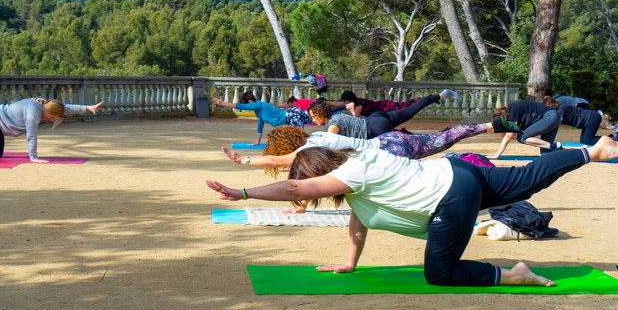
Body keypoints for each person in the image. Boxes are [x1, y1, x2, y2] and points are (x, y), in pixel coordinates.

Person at [207, 136, 618, 287]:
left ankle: (513, 274)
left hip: (451, 199)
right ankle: (593, 151)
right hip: (457, 174)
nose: (311, 193)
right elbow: (359, 223)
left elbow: (293, 184)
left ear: (320, 171)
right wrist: (350, 261)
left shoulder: (353, 175)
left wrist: (242, 191)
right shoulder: (361, 171)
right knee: (529, 177)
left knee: (439, 272)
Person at [222, 117, 522, 177]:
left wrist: (244, 161)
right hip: (390, 139)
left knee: (429, 171)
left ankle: (465, 161)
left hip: (385, 154)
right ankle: (487, 126)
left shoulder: (304, 154)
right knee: (443, 138)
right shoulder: (317, 137)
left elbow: (276, 162)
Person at [308, 90, 455, 139]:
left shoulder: (333, 125)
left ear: (321, 114)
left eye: (314, 116)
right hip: (376, 118)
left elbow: (328, 143)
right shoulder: (337, 114)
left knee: (410, 138)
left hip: (376, 128)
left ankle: (442, 135)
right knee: (410, 111)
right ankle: (440, 95)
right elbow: (350, 104)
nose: (313, 120)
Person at [213, 91, 311, 145]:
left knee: (301, 140)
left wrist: (222, 103)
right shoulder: (259, 112)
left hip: (291, 116)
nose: (248, 107)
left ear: (250, 102)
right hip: (289, 119)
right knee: (299, 139)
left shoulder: (258, 104)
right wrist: (257, 142)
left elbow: (241, 106)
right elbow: (260, 126)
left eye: (247, 104)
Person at [490, 99, 562, 158]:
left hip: (550, 117)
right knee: (545, 154)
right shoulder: (517, 114)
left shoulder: (513, 110)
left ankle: (555, 146)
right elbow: (513, 135)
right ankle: (562, 154)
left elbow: (509, 136)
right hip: (554, 117)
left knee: (521, 138)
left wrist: (497, 154)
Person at [341, 89, 460, 117]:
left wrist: (350, 109)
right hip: (383, 108)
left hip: (385, 108)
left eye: (345, 101)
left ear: (349, 100)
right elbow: (337, 103)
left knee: (410, 105)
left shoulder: (358, 104)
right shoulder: (356, 102)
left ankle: (440, 95)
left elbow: (355, 116)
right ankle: (436, 97)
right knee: (410, 104)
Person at [541, 95, 606, 146]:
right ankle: (609, 138)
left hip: (592, 118)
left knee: (587, 141)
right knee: (583, 141)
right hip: (590, 120)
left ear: (550, 105)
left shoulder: (560, 109)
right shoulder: (560, 109)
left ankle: (612, 140)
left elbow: (558, 121)